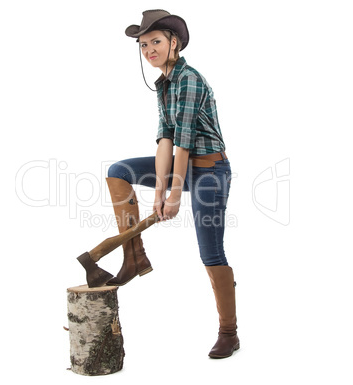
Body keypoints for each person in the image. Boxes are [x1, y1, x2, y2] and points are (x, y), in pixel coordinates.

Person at [105, 9, 239, 359]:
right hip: (182, 163)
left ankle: (229, 332)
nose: (149, 49)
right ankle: (134, 257)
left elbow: (185, 142)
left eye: (156, 42)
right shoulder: (163, 84)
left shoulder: (189, 79)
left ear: (173, 42)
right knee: (119, 171)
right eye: (143, 44)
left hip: (210, 171)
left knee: (210, 252)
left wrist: (175, 192)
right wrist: (159, 193)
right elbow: (165, 140)